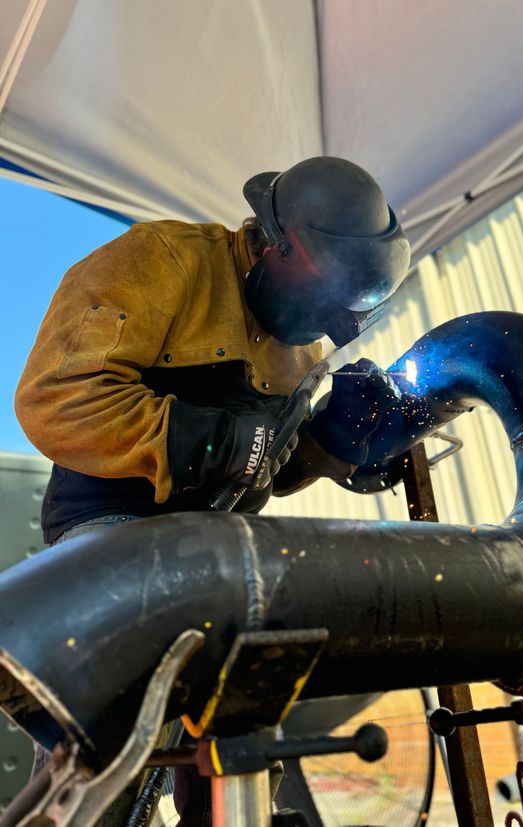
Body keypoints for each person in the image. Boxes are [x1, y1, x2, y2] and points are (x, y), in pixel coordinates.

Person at [14, 156, 411, 825]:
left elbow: (269, 470)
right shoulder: (163, 261)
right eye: (323, 302)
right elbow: (54, 398)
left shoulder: (302, 352)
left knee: (248, 701)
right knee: (107, 732)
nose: (327, 329)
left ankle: (234, 809)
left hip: (220, 553)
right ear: (273, 243)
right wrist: (210, 441)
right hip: (113, 532)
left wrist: (331, 444)